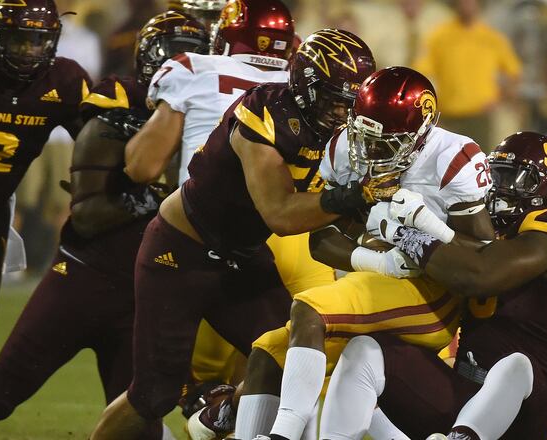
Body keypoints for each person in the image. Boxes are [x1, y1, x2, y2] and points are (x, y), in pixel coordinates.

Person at [88, 28, 376, 440]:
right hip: (182, 249)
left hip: (241, 254)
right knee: (154, 394)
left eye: (350, 103)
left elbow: (325, 219)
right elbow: (280, 214)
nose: (342, 112)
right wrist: (352, 196)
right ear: (307, 87)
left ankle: (221, 413)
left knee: (292, 358)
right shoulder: (264, 112)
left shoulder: (337, 131)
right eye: (334, 100)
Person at [0, 11, 209, 437]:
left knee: (141, 417)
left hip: (145, 287)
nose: (184, 68)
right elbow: (90, 212)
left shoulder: (220, 117)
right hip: (84, 275)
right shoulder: (119, 100)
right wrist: (146, 192)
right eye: (173, 57)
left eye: (195, 58)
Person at [234, 66, 495, 440]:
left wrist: (425, 231)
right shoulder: (343, 146)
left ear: (419, 136)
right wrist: (377, 259)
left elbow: (483, 258)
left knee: (309, 308)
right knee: (267, 352)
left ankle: (282, 437)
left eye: (384, 143)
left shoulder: (453, 158)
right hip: (376, 280)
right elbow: (319, 239)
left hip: (432, 292)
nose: (368, 151)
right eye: (364, 136)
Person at [122, 2, 332, 436]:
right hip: (287, 231)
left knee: (174, 386)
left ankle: (213, 416)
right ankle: (219, 417)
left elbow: (141, 166)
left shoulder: (195, 68)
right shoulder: (313, 95)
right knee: (293, 360)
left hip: (233, 226)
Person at [317, 131, 547, 440]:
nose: (499, 188)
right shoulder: (480, 229)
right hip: (465, 390)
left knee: (515, 365)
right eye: (495, 175)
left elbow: (479, 274)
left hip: (527, 413)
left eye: (514, 178)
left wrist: (403, 233)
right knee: (365, 351)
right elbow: (460, 252)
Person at [0, 0, 91, 384]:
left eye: (39, 41)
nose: (29, 51)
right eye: (19, 40)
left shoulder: (65, 80)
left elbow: (99, 138)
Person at [414, 0, 521, 150]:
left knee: (476, 163)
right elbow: (421, 72)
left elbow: (513, 72)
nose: (467, 5)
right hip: (448, 116)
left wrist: (500, 97)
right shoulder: (440, 36)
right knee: (445, 163)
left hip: (479, 116)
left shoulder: (491, 38)